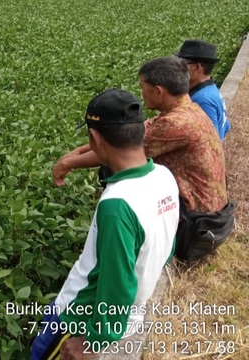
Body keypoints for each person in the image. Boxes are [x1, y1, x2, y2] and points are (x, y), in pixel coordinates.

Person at [31, 89, 180, 360]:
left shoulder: (117, 204)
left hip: (78, 317)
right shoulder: (164, 176)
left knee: (42, 353)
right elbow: (166, 247)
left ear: (95, 138)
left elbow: (116, 285)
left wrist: (91, 341)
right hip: (132, 314)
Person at [53, 57, 227, 215]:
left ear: (158, 92)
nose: (141, 95)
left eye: (143, 88)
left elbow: (121, 148)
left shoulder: (176, 124)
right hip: (209, 206)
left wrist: (67, 163)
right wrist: (78, 151)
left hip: (199, 216)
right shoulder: (186, 109)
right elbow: (127, 133)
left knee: (115, 165)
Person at [175, 39, 231, 140]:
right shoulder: (211, 90)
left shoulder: (202, 100)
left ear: (197, 67)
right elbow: (226, 126)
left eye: (182, 63)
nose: (177, 67)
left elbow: (210, 141)